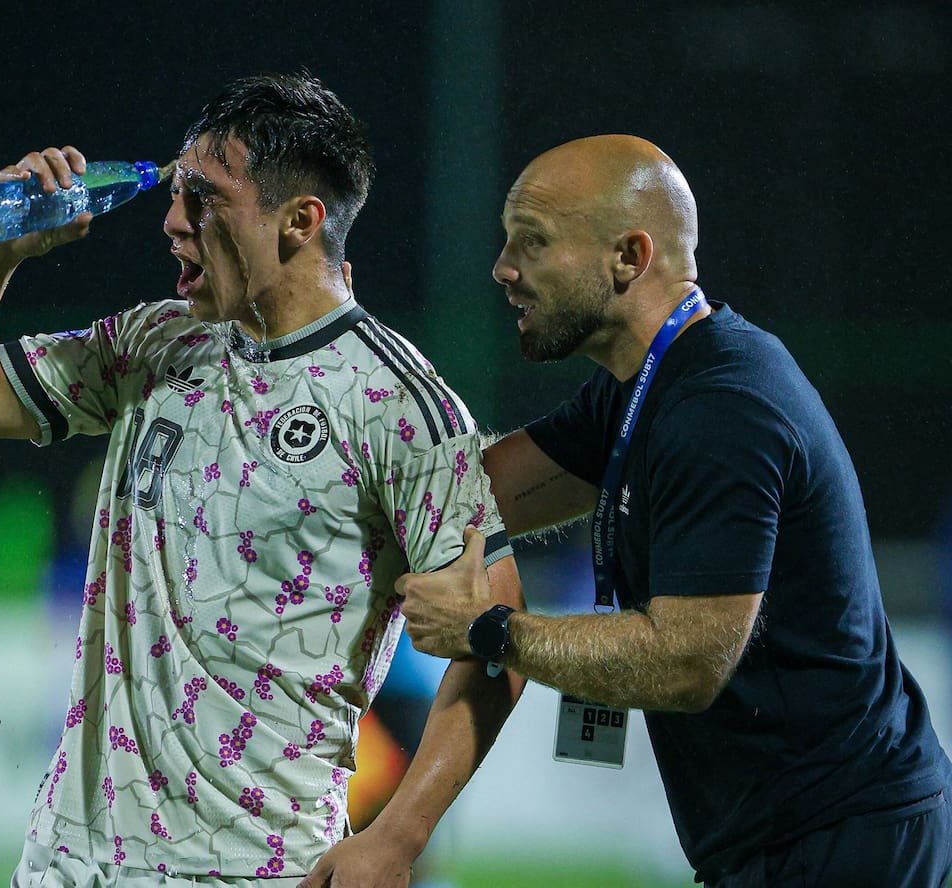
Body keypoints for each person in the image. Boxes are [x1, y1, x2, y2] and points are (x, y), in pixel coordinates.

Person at [0, 72, 523, 887]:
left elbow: (497, 640)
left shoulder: (397, 405)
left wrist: (398, 837)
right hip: (66, 865)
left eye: (204, 197)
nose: (170, 220)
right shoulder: (156, 344)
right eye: (175, 189)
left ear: (300, 221)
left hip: (257, 871)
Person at [396, 134, 952, 887]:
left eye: (533, 241)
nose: (504, 267)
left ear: (629, 257)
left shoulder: (724, 407)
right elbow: (479, 491)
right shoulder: (644, 389)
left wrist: (490, 630)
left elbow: (689, 659)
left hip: (844, 841)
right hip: (786, 839)